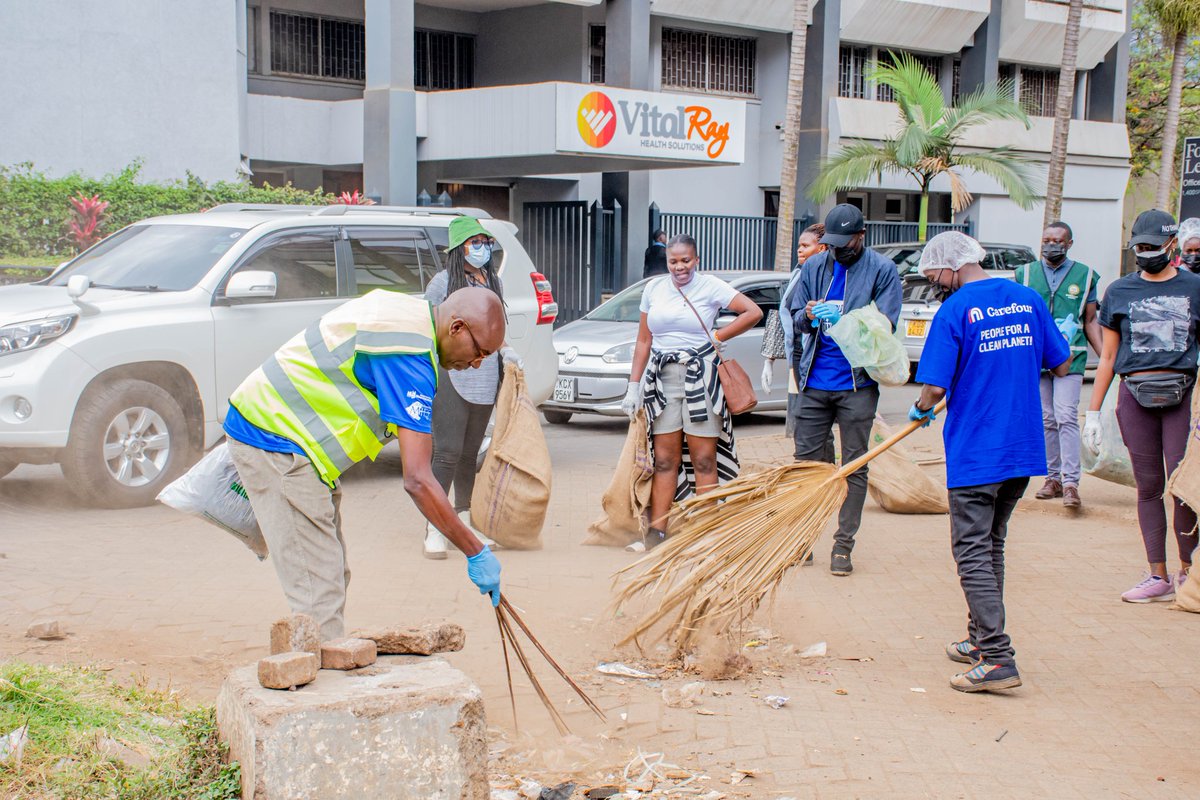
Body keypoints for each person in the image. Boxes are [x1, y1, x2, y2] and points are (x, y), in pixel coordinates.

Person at [223, 286, 507, 641]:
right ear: (457, 327)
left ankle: (320, 664)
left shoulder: (409, 315)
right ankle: (316, 683)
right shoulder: (408, 354)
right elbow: (418, 479)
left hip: (287, 437)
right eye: (479, 351)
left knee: (330, 573)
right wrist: (474, 550)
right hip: (275, 441)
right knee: (318, 590)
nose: (477, 363)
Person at [910, 231, 1070, 693]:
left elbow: (935, 388)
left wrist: (922, 407)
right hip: (1021, 448)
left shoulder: (955, 310)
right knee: (991, 544)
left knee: (971, 550)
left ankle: (998, 657)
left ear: (951, 267)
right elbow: (1060, 364)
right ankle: (979, 638)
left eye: (934, 275)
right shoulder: (1026, 299)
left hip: (978, 449)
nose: (935, 282)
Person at [1084, 209, 1200, 603]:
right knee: (1148, 487)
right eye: (1140, 247)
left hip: (1183, 397)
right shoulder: (1119, 291)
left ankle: (1189, 572)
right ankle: (1157, 575)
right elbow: (1108, 356)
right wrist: (1093, 412)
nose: (1146, 253)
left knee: (1182, 487)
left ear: (1172, 246)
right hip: (1135, 396)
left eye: (1153, 247)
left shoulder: (1195, 287)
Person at [621, 234, 763, 551]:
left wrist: (717, 335)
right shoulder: (654, 289)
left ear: (696, 259)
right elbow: (644, 341)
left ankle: (705, 532)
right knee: (665, 460)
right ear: (667, 262)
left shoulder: (710, 286)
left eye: (686, 260)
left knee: (703, 459)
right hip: (663, 377)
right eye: (674, 261)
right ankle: (657, 532)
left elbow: (752, 312)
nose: (680, 267)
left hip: (702, 376)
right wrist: (633, 386)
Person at [787, 203, 902, 576]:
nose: (838, 251)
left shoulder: (882, 271)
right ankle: (803, 540)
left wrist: (846, 322)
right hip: (813, 383)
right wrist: (806, 315)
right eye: (832, 244)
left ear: (861, 237)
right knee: (806, 466)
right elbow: (793, 317)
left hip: (857, 385)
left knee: (854, 465)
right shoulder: (814, 266)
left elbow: (886, 327)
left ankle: (842, 546)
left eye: (845, 243)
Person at [422, 216, 522, 559]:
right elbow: (429, 328)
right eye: (474, 242)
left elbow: (494, 327)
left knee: (469, 454)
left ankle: (463, 518)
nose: (482, 248)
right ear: (458, 248)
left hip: (484, 374)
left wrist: (506, 351)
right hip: (452, 374)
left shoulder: (493, 282)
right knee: (447, 452)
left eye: (486, 242)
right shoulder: (442, 284)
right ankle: (434, 527)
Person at [1015, 221, 1103, 509]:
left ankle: (1070, 483)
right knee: (1046, 418)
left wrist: (1106, 359)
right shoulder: (1024, 275)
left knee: (1066, 415)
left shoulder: (1086, 275)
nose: (1051, 245)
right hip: (1035, 357)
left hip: (1071, 355)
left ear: (1069, 243)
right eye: (1047, 240)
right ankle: (1052, 478)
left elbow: (1090, 320)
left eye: (1058, 240)